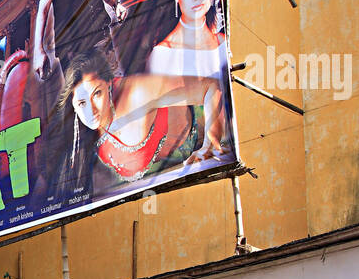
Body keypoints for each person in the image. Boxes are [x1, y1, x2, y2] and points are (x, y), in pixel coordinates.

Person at [59, 47, 230, 193]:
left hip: (197, 139)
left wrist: (209, 145)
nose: (91, 110)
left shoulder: (137, 93)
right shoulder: (80, 133)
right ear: (73, 105)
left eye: (97, 93)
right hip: (159, 186)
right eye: (81, 103)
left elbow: (211, 88)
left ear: (109, 84)